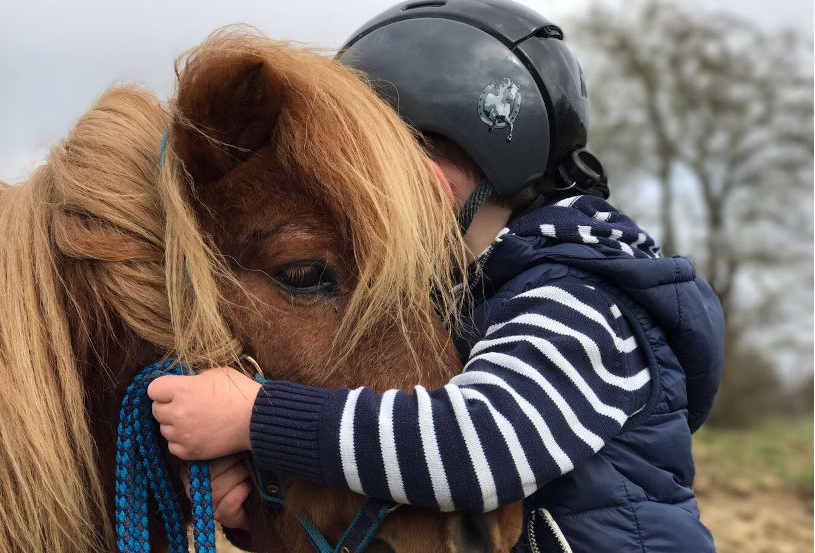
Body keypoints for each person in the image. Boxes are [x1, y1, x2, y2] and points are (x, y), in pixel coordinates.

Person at [148, 1, 724, 550]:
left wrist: (257, 418)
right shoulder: (476, 291)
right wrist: (261, 516)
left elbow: (478, 446)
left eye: (377, 161)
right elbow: (409, 479)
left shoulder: (581, 300)